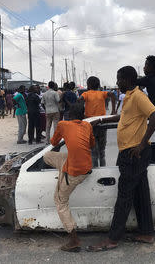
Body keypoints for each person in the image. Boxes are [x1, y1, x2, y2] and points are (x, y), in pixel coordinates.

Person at [87, 66, 155, 252]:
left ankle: (112, 239)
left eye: (119, 79)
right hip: (130, 152)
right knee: (140, 193)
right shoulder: (129, 96)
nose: (117, 82)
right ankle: (146, 232)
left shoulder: (138, 96)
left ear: (128, 79)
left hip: (134, 153)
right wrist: (102, 120)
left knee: (124, 196)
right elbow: (124, 117)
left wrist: (142, 144)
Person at [45, 103, 95, 252]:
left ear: (68, 115)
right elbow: (91, 145)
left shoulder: (62, 124)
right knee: (47, 156)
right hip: (86, 167)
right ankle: (63, 170)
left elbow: (53, 142)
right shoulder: (87, 126)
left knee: (60, 201)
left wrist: (66, 137)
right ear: (83, 115)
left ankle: (74, 240)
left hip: (74, 172)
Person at [79, 76, 116, 167]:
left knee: (93, 152)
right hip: (102, 124)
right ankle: (103, 169)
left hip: (90, 125)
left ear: (88, 85)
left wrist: (81, 114)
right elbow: (112, 95)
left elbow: (80, 100)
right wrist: (113, 110)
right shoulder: (102, 93)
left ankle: (95, 171)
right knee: (102, 151)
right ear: (99, 85)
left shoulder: (86, 94)